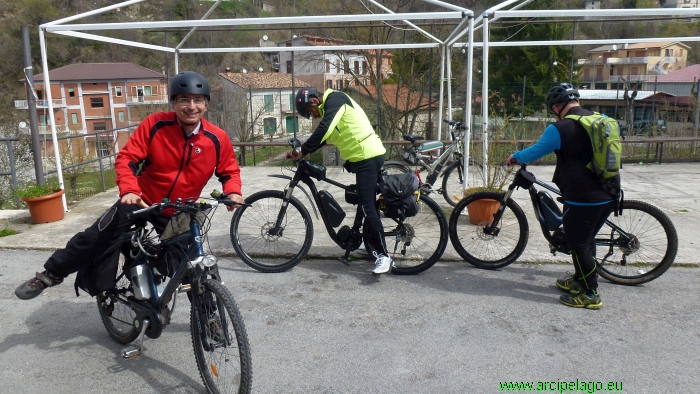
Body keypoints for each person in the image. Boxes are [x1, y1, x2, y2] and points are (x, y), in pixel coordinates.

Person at [15, 71, 245, 300]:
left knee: (193, 265)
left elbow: (229, 171)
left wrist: (233, 191)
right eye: (183, 100)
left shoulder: (217, 137)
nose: (191, 106)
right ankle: (51, 274)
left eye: (197, 100)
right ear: (173, 103)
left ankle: (209, 319)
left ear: (207, 104)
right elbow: (127, 159)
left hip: (178, 209)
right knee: (95, 236)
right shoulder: (155, 124)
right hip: (140, 199)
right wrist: (130, 190)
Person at [506, 83, 620, 310]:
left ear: (556, 107)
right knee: (585, 241)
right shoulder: (597, 120)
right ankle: (580, 280)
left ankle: (590, 295)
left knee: (579, 244)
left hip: (583, 196)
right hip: (610, 191)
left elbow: (536, 151)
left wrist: (515, 156)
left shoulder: (560, 128)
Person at [287, 87, 392, 275]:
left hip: (367, 156)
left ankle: (384, 256)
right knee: (361, 199)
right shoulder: (330, 107)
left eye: (311, 112)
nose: (314, 116)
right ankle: (368, 242)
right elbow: (323, 138)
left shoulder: (336, 99)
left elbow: (325, 127)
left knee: (367, 206)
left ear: (313, 100)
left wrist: (302, 150)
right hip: (361, 157)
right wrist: (303, 150)